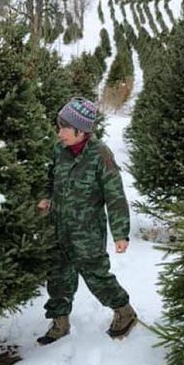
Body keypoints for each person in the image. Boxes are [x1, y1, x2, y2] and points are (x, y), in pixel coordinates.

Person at [36, 97, 136, 345]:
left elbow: (115, 196)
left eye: (64, 128)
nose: (59, 133)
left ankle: (125, 312)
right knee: (58, 276)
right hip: (59, 227)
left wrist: (120, 233)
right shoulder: (60, 151)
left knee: (96, 275)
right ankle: (60, 321)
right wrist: (45, 197)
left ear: (81, 131)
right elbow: (49, 179)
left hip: (87, 233)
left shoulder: (100, 155)